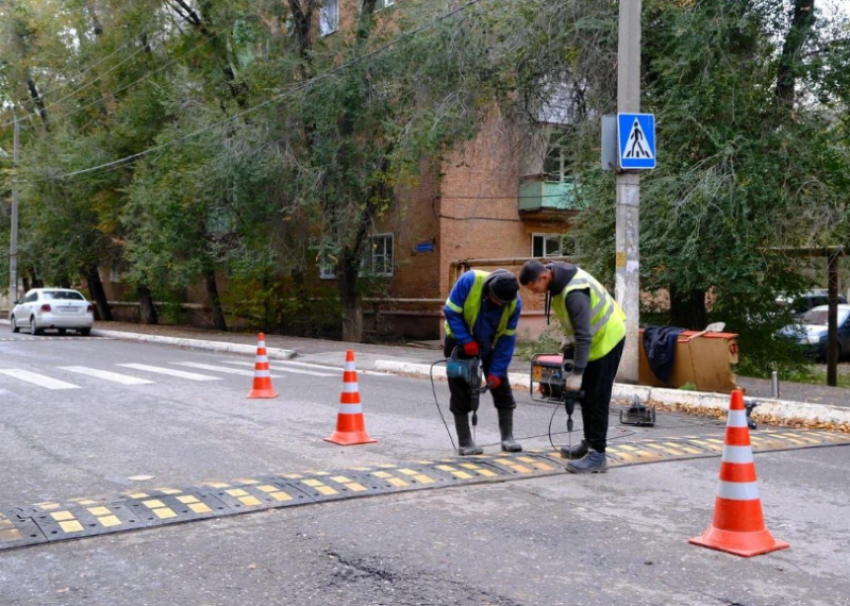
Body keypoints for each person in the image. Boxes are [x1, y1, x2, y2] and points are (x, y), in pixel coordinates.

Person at [519, 260, 626, 473]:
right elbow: (575, 324)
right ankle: (589, 442)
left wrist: (577, 373)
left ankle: (598, 455)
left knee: (597, 396)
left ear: (543, 277)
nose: (535, 293)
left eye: (534, 288)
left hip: (606, 339)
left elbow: (585, 335)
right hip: (591, 340)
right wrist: (569, 341)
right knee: (585, 395)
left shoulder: (573, 292)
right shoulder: (556, 281)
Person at [443, 268, 523, 455]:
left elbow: (507, 339)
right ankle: (465, 442)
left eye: (502, 303)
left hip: (490, 345)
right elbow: (451, 311)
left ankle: (507, 438)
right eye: (495, 300)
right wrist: (465, 340)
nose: (498, 304)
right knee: (461, 389)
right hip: (459, 341)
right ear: (488, 289)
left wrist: (496, 371)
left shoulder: (514, 304)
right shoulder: (470, 281)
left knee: (502, 387)